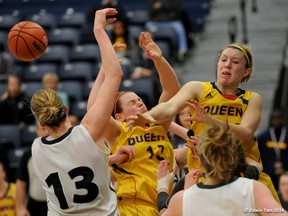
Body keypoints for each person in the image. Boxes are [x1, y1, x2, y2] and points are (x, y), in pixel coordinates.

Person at [140, 43, 280, 202]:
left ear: (246, 71)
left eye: (234, 62)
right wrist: (142, 117)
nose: (227, 64)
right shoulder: (198, 88)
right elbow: (168, 107)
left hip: (243, 174)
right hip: (202, 176)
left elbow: (245, 133)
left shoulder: (252, 99)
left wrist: (210, 120)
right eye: (223, 59)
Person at [29, 8, 135, 215]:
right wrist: (99, 29)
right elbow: (115, 74)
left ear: (41, 124)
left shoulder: (36, 149)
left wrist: (110, 160)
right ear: (66, 109)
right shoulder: (89, 133)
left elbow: (71, 172)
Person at [87, 31, 180, 216]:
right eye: (132, 102)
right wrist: (106, 68)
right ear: (119, 116)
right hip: (132, 206)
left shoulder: (158, 124)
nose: (139, 102)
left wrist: (159, 60)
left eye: (139, 99)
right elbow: (94, 108)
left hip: (165, 205)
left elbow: (172, 90)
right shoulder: (119, 131)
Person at [162, 123, 287, 216]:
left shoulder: (182, 198)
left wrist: (162, 186)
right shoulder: (253, 188)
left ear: (199, 160)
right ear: (234, 157)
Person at [15, 123, 49, 216]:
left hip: (59, 206)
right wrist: (20, 207)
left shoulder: (62, 152)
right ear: (36, 131)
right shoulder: (28, 155)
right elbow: (21, 182)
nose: (47, 132)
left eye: (48, 128)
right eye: (43, 129)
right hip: (35, 207)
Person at [257, 108, 288, 190]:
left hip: (285, 176)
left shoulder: (286, 135)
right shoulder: (263, 137)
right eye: (274, 118)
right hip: (268, 175)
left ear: (283, 119)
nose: (276, 121)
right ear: (271, 120)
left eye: (278, 118)